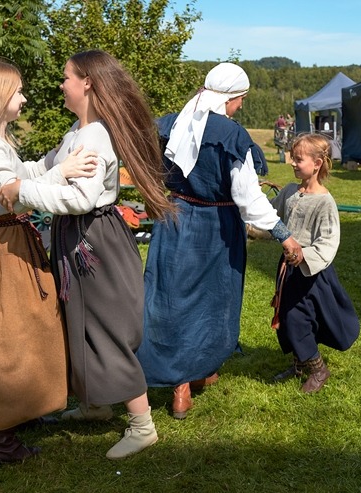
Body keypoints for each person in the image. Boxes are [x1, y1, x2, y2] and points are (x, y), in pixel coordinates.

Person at [0, 50, 176, 459]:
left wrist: (21, 194)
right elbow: (45, 167)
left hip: (94, 239)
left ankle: (142, 425)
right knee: (78, 320)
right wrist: (6, 174)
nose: (62, 85)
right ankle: (94, 404)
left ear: (87, 82)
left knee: (104, 325)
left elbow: (82, 197)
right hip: (76, 236)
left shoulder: (95, 136)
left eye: (66, 78)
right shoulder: (78, 131)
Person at [0, 58, 98, 464]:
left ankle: (24, 409)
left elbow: (19, 173)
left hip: (7, 241)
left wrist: (52, 162)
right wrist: (64, 171)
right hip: (6, 249)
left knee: (25, 328)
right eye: (17, 91)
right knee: (11, 337)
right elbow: (11, 191)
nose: (24, 97)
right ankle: (3, 440)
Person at [136, 62, 303, 420]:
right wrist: (283, 235)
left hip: (173, 220)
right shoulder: (230, 135)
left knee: (170, 299)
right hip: (215, 228)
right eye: (240, 99)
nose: (240, 106)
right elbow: (248, 198)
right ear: (230, 97)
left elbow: (148, 168)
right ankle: (184, 383)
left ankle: (194, 373)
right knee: (212, 301)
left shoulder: (169, 124)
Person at [269, 133, 360, 393]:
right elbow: (272, 219)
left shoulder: (325, 202)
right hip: (287, 268)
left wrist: (303, 256)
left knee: (297, 318)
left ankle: (318, 369)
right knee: (287, 317)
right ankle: (299, 363)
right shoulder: (289, 191)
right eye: (292, 158)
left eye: (299, 159)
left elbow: (328, 242)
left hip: (311, 272)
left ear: (317, 163)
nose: (292, 163)